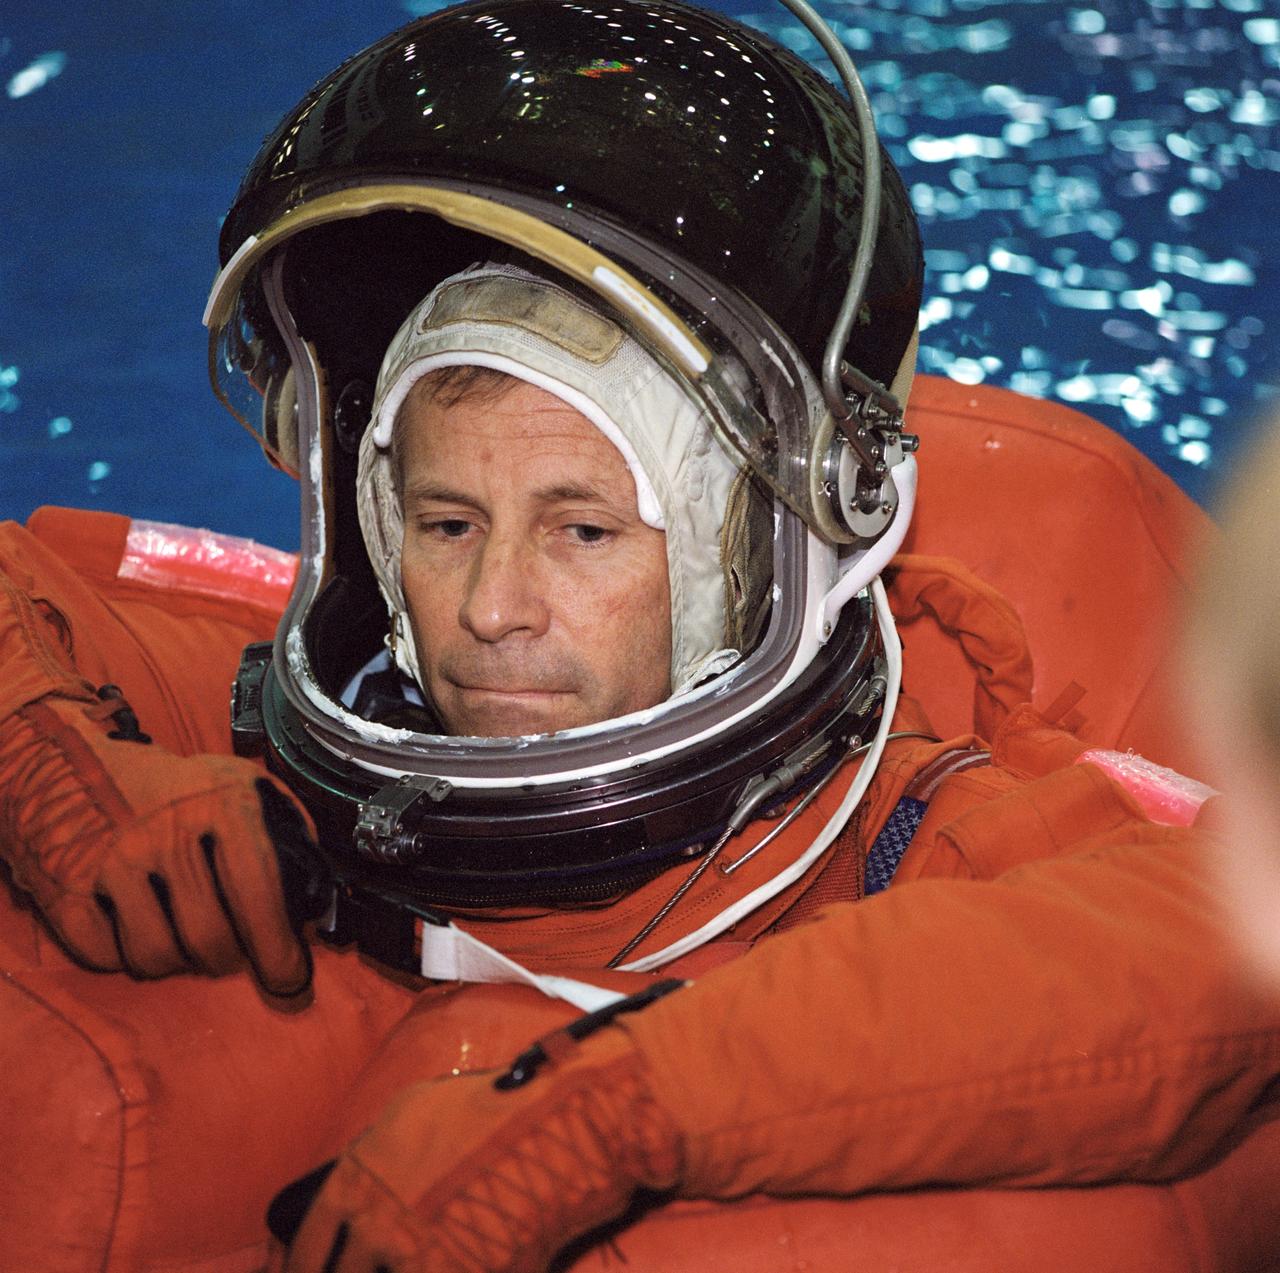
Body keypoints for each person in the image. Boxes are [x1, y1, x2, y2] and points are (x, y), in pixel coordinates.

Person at [2, 3, 1279, 1270]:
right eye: (446, 524)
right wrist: (51, 775)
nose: (492, 605)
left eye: (584, 532)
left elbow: (1228, 935)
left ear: (735, 561)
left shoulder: (885, 831)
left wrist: (612, 1106)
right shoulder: (273, 739)